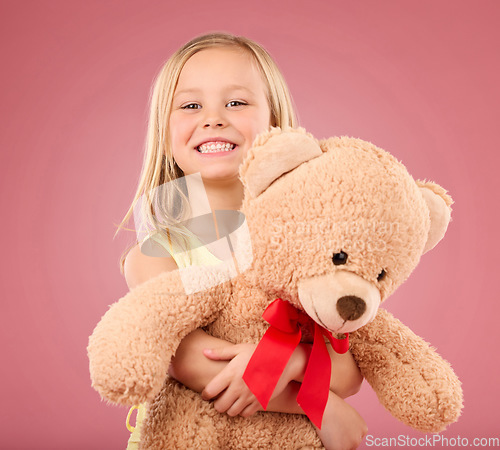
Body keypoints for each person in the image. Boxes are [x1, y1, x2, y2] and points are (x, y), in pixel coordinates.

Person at [115, 32, 367, 450]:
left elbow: (347, 370)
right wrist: (319, 406)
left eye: (236, 102)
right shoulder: (156, 253)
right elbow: (191, 363)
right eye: (191, 105)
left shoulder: (305, 242)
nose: (213, 118)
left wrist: (284, 360)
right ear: (165, 129)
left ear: (274, 120)